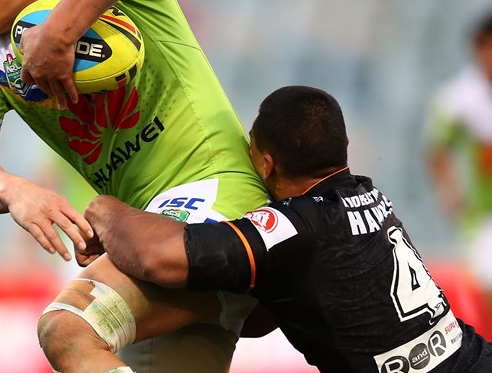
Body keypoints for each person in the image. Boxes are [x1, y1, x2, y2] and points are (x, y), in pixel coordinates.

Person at [0, 0, 268, 373]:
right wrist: (15, 191)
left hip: (217, 194)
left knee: (69, 327)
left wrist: (61, 32)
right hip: (140, 228)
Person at [83, 85, 492, 373]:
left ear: (266, 166)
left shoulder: (291, 227)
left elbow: (159, 257)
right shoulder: (368, 194)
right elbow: (265, 317)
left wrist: (103, 209)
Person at [427, 13, 492, 330]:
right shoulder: (458, 100)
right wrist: (450, 193)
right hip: (483, 216)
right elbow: (437, 151)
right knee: (487, 283)